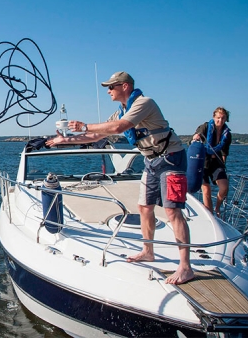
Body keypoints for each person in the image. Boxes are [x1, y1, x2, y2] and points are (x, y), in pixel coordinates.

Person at [45, 71, 195, 285]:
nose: (108, 91)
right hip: (151, 160)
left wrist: (84, 125)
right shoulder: (121, 112)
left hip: (171, 159)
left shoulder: (144, 103)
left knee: (172, 211)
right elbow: (97, 135)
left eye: (111, 87)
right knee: (144, 207)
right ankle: (148, 251)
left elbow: (119, 128)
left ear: (125, 86)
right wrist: (64, 140)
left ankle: (186, 267)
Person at [192, 107, 232, 216]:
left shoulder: (227, 134)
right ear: (214, 117)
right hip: (203, 162)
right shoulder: (205, 126)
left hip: (216, 163)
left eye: (223, 118)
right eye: (218, 118)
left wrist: (223, 165)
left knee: (224, 187)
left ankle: (217, 207)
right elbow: (197, 134)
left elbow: (224, 152)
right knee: (206, 189)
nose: (220, 120)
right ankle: (210, 215)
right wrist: (197, 136)